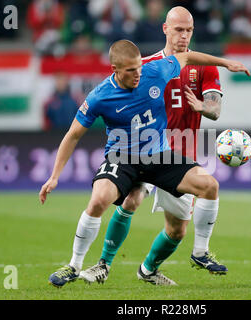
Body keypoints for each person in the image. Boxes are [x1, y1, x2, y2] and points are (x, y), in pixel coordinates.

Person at [40, 38, 250, 288]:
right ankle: (74, 266)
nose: (138, 74)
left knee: (209, 186)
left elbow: (188, 57)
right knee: (98, 201)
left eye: (139, 67)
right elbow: (73, 135)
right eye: (131, 70)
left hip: (158, 155)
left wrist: (226, 63)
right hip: (122, 157)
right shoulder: (99, 96)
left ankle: (200, 253)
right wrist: (54, 176)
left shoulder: (155, 70)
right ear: (114, 70)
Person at [79, 6, 230, 287]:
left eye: (189, 30)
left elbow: (215, 108)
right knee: (130, 201)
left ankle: (148, 269)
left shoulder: (204, 66)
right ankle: (103, 264)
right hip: (147, 150)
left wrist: (203, 107)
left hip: (182, 156)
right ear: (165, 29)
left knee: (177, 230)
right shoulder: (145, 66)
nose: (184, 36)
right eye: (178, 30)